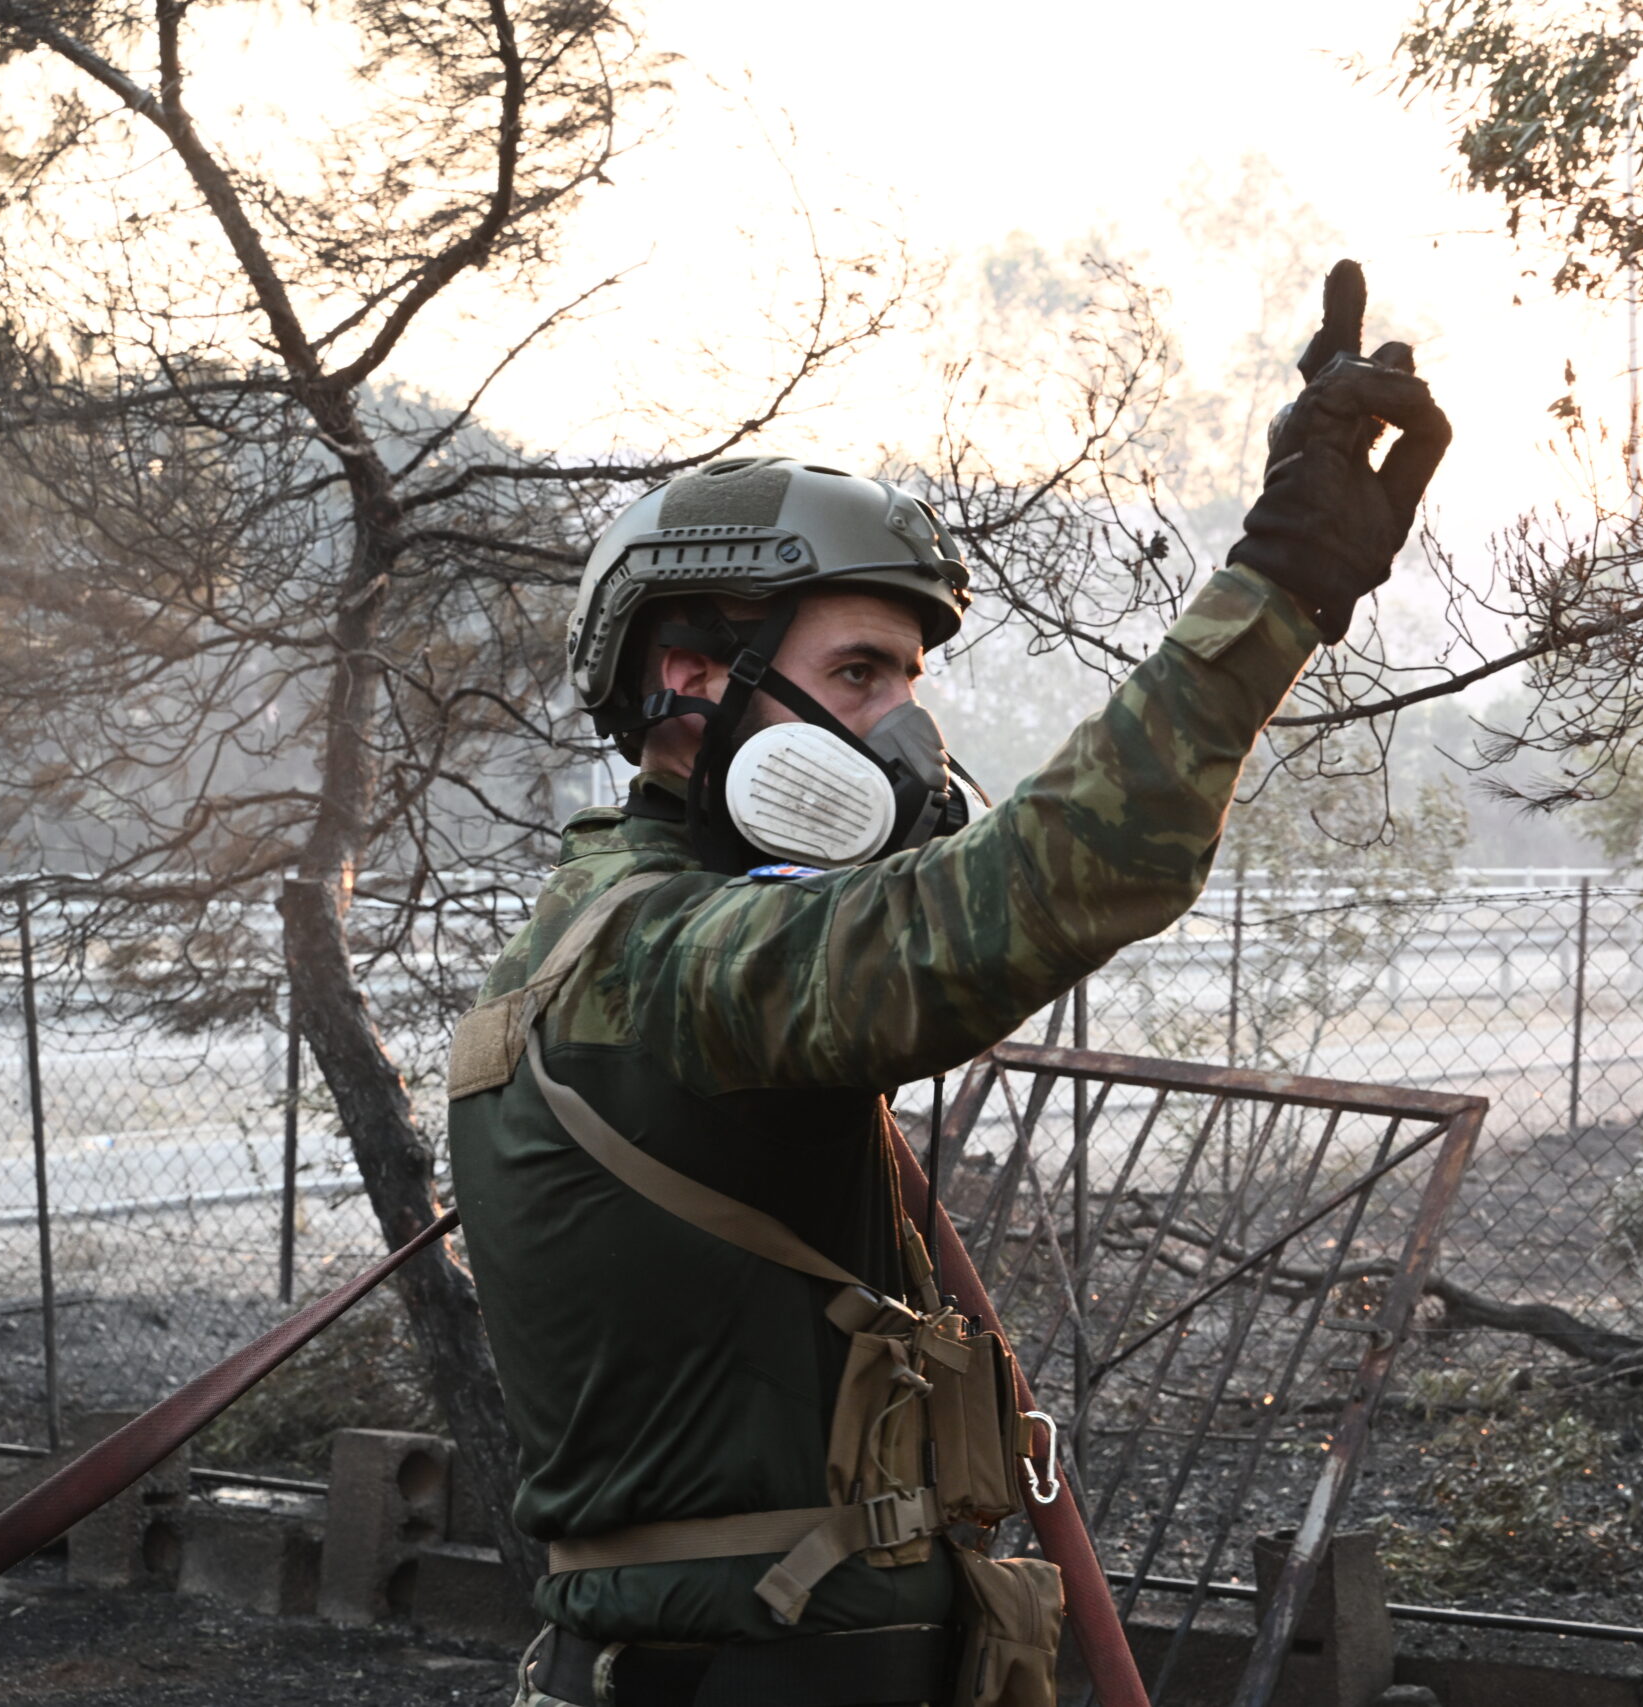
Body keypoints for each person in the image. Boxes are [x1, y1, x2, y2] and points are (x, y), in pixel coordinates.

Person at [445, 261, 1448, 1707]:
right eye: (860, 675)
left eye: (909, 682)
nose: (903, 734)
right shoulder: (663, 959)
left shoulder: (627, 943)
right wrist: (1280, 586)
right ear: (687, 677)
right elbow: (995, 909)